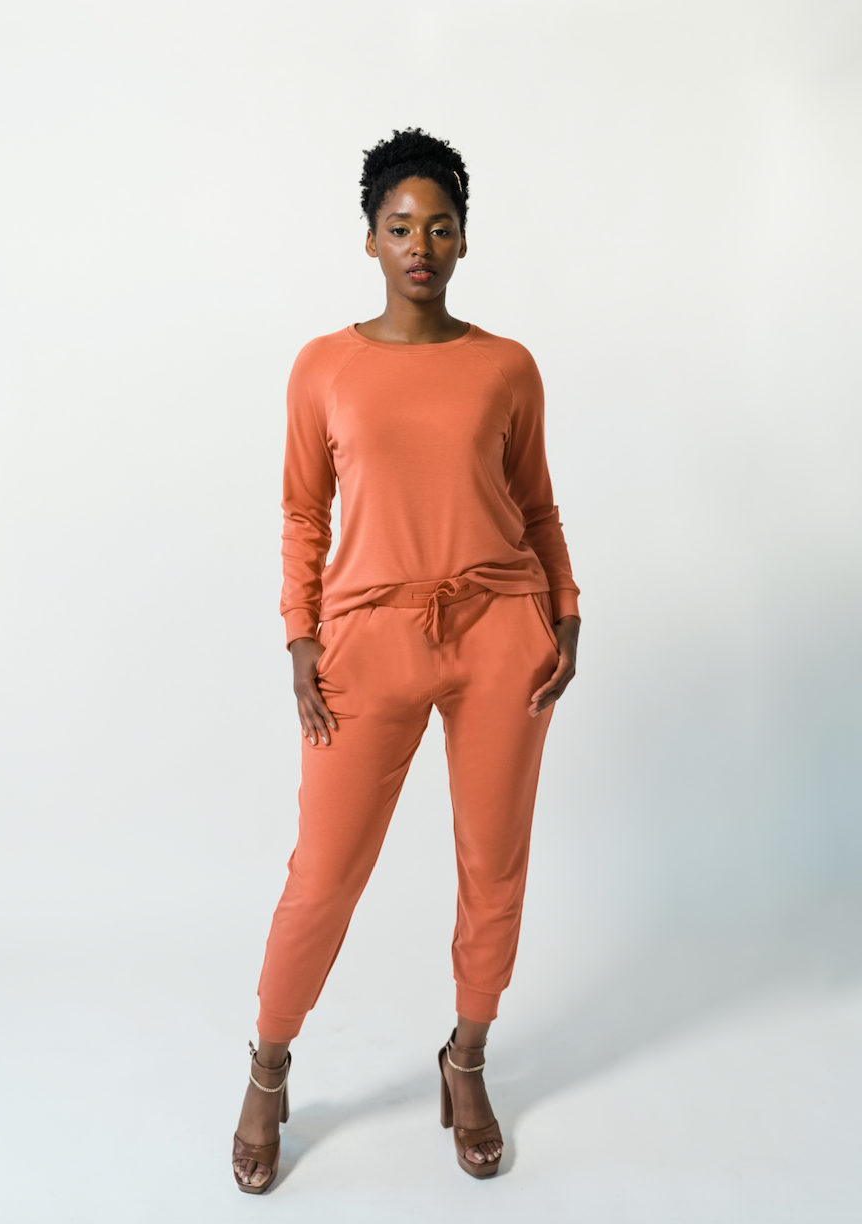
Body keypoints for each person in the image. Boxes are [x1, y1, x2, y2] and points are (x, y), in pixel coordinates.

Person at [232, 128, 581, 1192]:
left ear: (463, 240)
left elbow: (534, 504)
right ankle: (268, 1066)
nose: (419, 244)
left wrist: (564, 612)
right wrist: (300, 634)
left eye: (438, 226)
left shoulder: (506, 366)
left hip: (500, 629)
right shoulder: (323, 367)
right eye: (399, 226)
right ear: (370, 240)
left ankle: (464, 1060)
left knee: (494, 865)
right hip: (368, 640)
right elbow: (303, 513)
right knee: (323, 875)